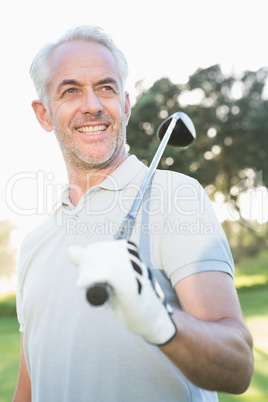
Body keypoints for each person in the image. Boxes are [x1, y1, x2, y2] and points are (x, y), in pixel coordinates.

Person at [13, 25, 254, 402]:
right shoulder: (33, 244)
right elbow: (28, 391)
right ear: (44, 114)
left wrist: (162, 323)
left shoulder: (177, 196)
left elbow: (238, 367)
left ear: (124, 105)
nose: (92, 104)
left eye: (106, 88)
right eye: (71, 90)